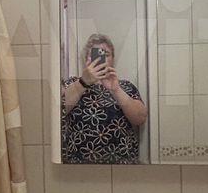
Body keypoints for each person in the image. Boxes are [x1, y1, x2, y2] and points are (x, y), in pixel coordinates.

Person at [61, 33, 148, 164]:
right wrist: (84, 82)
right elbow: (58, 112)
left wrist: (116, 89)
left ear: (113, 59)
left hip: (123, 166)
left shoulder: (125, 86)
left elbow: (140, 118)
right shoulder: (72, 84)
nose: (100, 59)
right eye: (94, 54)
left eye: (105, 54)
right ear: (86, 60)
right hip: (79, 167)